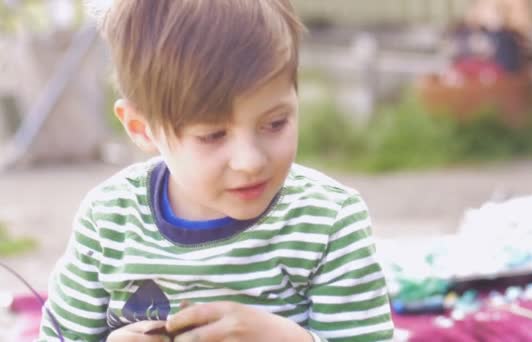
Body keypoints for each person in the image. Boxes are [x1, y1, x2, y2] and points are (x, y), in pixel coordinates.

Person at [37, 1, 394, 341]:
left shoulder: (327, 222)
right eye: (212, 135)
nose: (250, 161)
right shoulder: (109, 220)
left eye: (275, 123)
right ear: (142, 128)